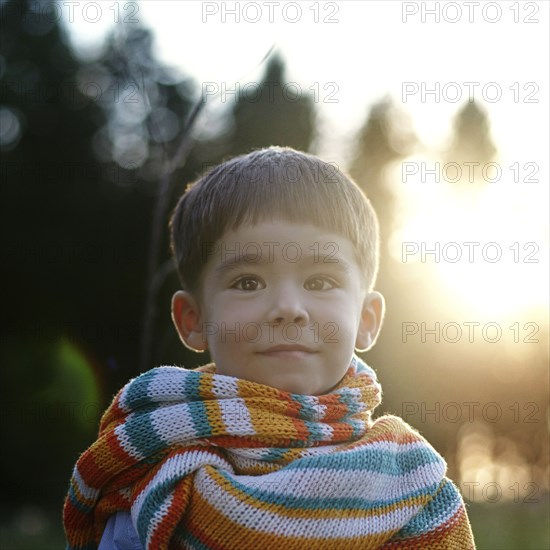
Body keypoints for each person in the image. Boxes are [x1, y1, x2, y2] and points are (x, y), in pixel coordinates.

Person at [63, 147, 476, 549]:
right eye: (247, 282)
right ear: (194, 320)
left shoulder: (414, 489)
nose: (288, 309)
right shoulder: (147, 471)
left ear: (366, 320)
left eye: (320, 282)